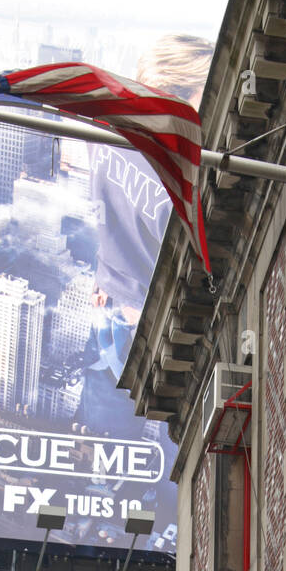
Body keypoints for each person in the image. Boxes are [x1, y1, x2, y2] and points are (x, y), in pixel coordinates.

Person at [76, 35, 213, 438]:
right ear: (175, 94)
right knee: (173, 462)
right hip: (144, 330)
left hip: (108, 310)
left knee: (108, 446)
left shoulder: (105, 131)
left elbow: (107, 214)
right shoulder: (175, 176)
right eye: (204, 93)